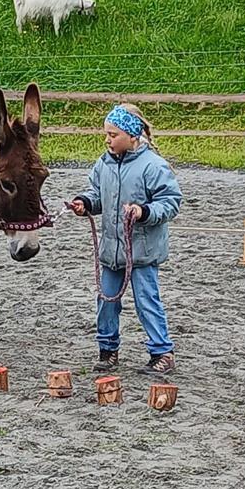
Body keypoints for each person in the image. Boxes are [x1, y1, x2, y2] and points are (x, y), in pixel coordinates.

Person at [70, 103, 181, 374]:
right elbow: (97, 194)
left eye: (113, 134)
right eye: (106, 134)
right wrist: (86, 202)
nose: (107, 140)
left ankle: (162, 352)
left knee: (147, 301)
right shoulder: (103, 163)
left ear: (132, 136)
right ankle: (108, 351)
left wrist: (144, 212)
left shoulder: (153, 166)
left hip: (142, 251)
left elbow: (170, 202)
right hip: (111, 250)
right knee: (106, 301)